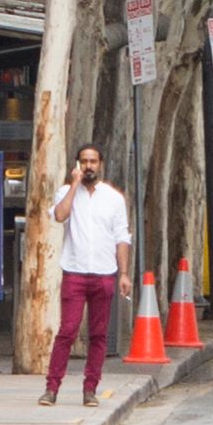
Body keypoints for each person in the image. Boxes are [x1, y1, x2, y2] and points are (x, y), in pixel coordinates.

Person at [45, 155, 136, 402]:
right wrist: (74, 185)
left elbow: (121, 237)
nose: (88, 166)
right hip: (74, 272)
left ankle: (90, 388)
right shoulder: (66, 192)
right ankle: (52, 387)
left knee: (98, 334)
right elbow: (60, 216)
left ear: (100, 164)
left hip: (104, 274)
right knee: (68, 330)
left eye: (93, 161)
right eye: (84, 161)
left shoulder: (113, 199)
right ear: (77, 164)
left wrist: (124, 273)